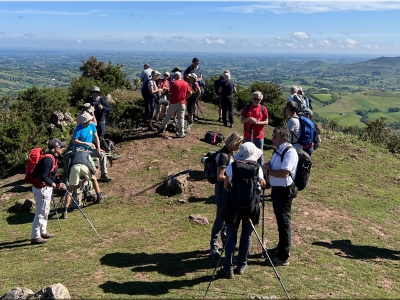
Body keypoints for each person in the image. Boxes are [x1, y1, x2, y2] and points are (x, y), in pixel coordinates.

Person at [218, 142, 266, 278]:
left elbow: (226, 187)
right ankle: (242, 264)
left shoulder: (232, 167)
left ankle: (228, 267)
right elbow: (262, 184)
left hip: (234, 206)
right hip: (251, 207)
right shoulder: (257, 168)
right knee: (247, 235)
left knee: (231, 234)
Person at [262, 127, 298, 266]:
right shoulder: (278, 150)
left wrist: (269, 172)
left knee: (284, 222)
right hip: (277, 189)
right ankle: (280, 248)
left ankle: (283, 256)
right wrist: (266, 166)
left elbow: (284, 173)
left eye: (275, 136)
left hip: (284, 190)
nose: (272, 138)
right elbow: (272, 166)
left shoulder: (290, 152)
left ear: (284, 138)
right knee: (280, 221)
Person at [209, 132, 243, 260]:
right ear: (234, 142)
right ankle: (213, 246)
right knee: (220, 217)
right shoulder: (223, 155)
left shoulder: (229, 153)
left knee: (227, 216)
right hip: (222, 190)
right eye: (239, 143)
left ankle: (225, 242)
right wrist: (233, 178)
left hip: (228, 189)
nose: (240, 146)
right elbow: (220, 176)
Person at [30, 138, 67, 245]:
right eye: (61, 147)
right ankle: (35, 236)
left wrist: (58, 182)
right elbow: (43, 176)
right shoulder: (48, 159)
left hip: (46, 188)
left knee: (45, 211)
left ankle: (43, 232)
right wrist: (55, 185)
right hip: (41, 189)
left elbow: (51, 175)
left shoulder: (51, 158)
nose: (62, 149)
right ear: (56, 148)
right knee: (41, 212)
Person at [62, 151, 106, 219]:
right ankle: (99, 197)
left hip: (74, 168)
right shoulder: (87, 154)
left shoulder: (72, 155)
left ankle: (65, 211)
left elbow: (69, 165)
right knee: (94, 180)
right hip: (84, 166)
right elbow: (92, 164)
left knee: (70, 190)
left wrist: (70, 178)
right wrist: (93, 173)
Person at [72, 111, 112, 182]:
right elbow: (74, 141)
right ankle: (86, 178)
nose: (91, 120)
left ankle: (104, 174)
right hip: (79, 150)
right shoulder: (78, 128)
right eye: (90, 119)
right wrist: (86, 143)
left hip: (89, 149)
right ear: (86, 121)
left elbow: (96, 137)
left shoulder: (92, 125)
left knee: (102, 154)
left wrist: (99, 148)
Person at [158, 72, 192, 138]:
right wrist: (185, 98)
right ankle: (181, 134)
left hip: (174, 102)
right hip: (182, 103)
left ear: (176, 76)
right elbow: (190, 93)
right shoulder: (186, 83)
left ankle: (162, 128)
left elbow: (171, 92)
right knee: (181, 118)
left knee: (168, 116)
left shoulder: (174, 83)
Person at [240, 91, 269, 166]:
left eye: (258, 99)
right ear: (252, 99)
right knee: (246, 153)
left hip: (259, 136)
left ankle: (260, 171)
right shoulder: (247, 108)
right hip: (247, 135)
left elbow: (266, 122)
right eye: (254, 99)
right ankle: (246, 168)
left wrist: (257, 122)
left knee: (260, 154)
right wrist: (249, 119)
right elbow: (242, 120)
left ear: (261, 100)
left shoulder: (263, 108)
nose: (256, 101)